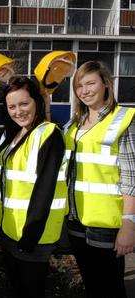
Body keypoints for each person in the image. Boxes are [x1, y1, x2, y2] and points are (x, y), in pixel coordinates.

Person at [64, 61, 135, 298]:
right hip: (76, 219)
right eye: (79, 86)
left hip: (106, 224)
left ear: (105, 83)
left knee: (110, 289)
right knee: (92, 286)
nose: (84, 91)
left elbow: (131, 177)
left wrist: (129, 224)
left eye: (90, 83)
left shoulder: (123, 119)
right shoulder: (74, 124)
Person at [0, 76, 67, 298]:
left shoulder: (49, 134)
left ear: (37, 101)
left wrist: (30, 236)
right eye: (12, 106)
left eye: (24, 104)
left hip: (33, 236)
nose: (18, 111)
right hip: (10, 232)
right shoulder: (13, 135)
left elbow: (45, 188)